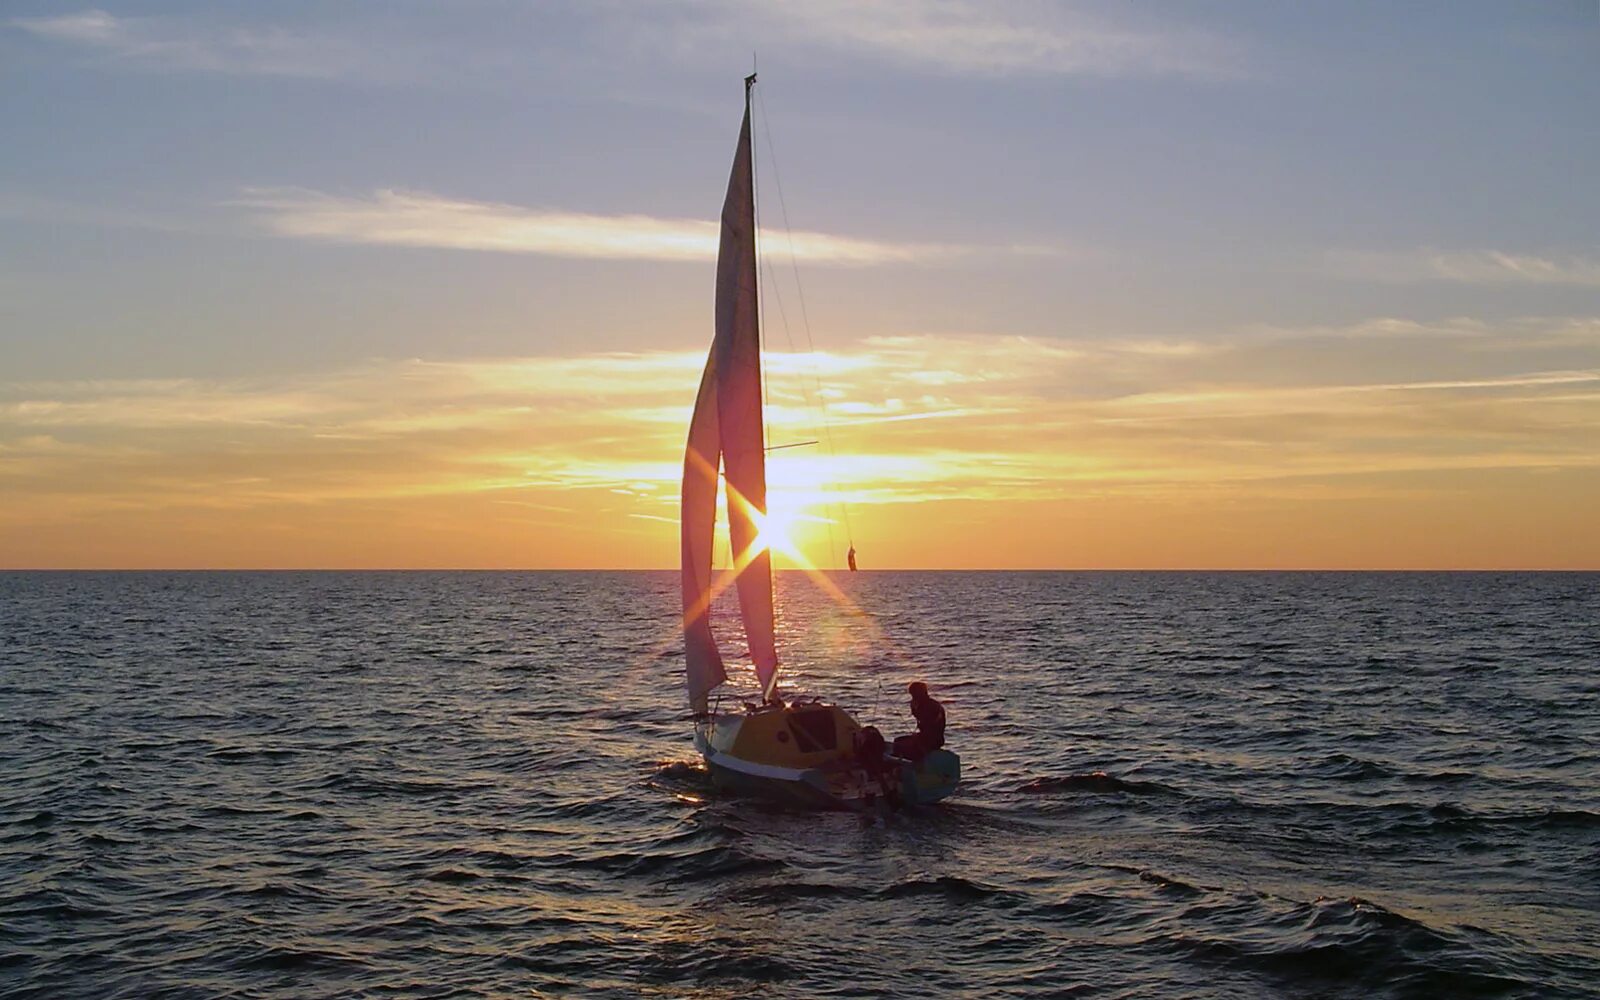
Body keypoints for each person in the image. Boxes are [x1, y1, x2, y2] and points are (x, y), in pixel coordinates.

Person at [891, 681, 945, 761]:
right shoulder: (925, 704)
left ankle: (914, 762)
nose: (912, 697)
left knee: (901, 744)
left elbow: (928, 724)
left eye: (913, 695)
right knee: (898, 740)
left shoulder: (931, 706)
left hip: (933, 740)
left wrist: (916, 710)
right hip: (926, 737)